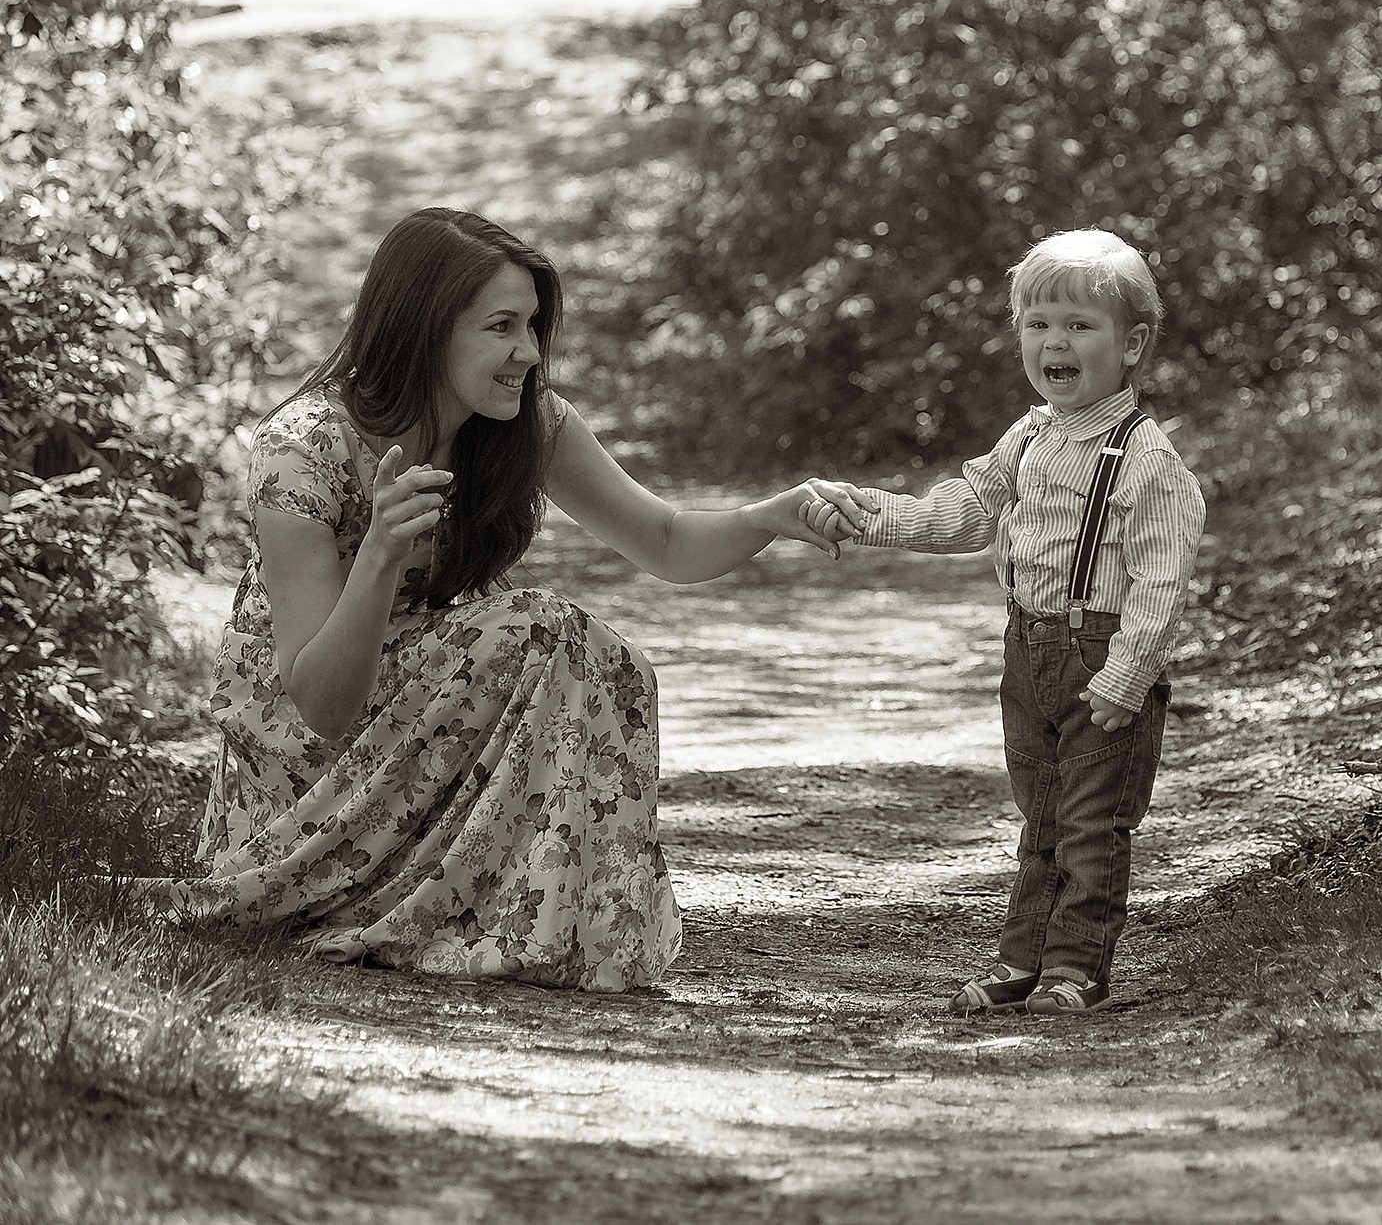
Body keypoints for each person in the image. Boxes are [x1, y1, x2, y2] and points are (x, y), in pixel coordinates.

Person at [160, 207, 865, 992]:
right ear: (427, 327)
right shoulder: (303, 450)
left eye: (532, 326)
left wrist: (773, 515)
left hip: (417, 714)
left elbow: (665, 540)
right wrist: (381, 557)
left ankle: (552, 922)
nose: (527, 353)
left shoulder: (527, 425)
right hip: (300, 769)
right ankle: (406, 903)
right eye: (502, 326)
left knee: (612, 665)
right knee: (542, 630)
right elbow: (320, 702)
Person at [804, 229, 1205, 1014]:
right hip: (1029, 653)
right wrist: (872, 516)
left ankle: (1076, 967)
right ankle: (1023, 957)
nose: (1054, 341)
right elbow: (964, 512)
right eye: (1038, 323)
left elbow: (1161, 581)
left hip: (1102, 662)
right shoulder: (1028, 436)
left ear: (1132, 345)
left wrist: (1127, 677)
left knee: (1092, 824)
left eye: (1079, 325)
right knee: (1042, 818)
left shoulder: (1147, 460)